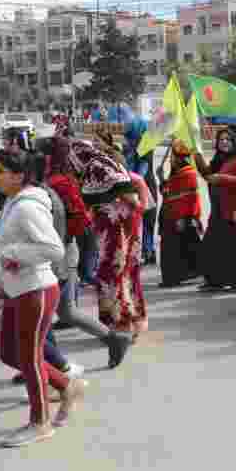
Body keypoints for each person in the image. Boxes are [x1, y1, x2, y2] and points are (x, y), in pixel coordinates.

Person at [0, 148, 86, 447]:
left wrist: (16, 255)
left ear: (19, 176)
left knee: (29, 357)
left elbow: (53, 249)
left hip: (36, 289)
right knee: (10, 354)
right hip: (16, 288)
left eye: (0, 171)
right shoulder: (10, 204)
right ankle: (67, 385)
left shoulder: (28, 207)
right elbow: (6, 253)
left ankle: (40, 422)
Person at [40, 141, 132, 369]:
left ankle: (46, 363)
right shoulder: (61, 181)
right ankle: (114, 339)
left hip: (58, 256)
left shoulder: (57, 183)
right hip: (64, 253)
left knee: (43, 313)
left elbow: (79, 222)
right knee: (65, 311)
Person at [66, 139, 147, 336]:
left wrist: (125, 212)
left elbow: (129, 195)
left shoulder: (97, 167)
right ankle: (131, 322)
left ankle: (121, 325)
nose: (70, 165)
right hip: (121, 226)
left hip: (117, 228)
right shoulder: (99, 164)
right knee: (124, 272)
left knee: (112, 273)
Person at [194, 128, 236, 291]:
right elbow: (208, 176)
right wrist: (197, 158)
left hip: (232, 211)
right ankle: (215, 280)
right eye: (221, 139)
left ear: (234, 142)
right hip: (217, 211)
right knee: (212, 247)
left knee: (232, 249)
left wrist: (222, 179)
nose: (224, 142)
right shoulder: (219, 160)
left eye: (228, 139)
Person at [157, 140, 204, 288]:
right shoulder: (176, 172)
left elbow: (191, 198)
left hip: (180, 218)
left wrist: (183, 217)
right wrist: (161, 178)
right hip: (170, 216)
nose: (173, 159)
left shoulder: (188, 173)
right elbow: (167, 193)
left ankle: (175, 278)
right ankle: (175, 277)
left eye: (176, 156)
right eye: (174, 155)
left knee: (176, 249)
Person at [122, 118, 158, 265]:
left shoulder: (146, 148)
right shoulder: (129, 147)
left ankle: (147, 251)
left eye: (129, 133)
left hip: (144, 188)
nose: (126, 137)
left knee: (146, 222)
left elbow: (142, 170)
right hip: (134, 187)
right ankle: (142, 252)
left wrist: (131, 181)